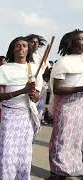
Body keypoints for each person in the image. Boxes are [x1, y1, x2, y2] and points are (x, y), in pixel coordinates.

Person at [0, 36, 43, 180]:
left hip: (26, 117)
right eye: (17, 45)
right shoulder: (4, 68)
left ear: (28, 50)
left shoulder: (34, 69)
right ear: (12, 49)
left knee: (24, 155)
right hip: (10, 115)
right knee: (7, 154)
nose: (21, 48)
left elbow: (36, 98)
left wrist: (33, 94)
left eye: (24, 46)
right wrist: (22, 90)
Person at [48, 29, 83, 179]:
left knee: (77, 140)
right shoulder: (63, 62)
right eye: (81, 39)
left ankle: (75, 168)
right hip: (67, 106)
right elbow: (57, 89)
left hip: (81, 105)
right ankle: (58, 171)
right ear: (70, 44)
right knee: (62, 139)